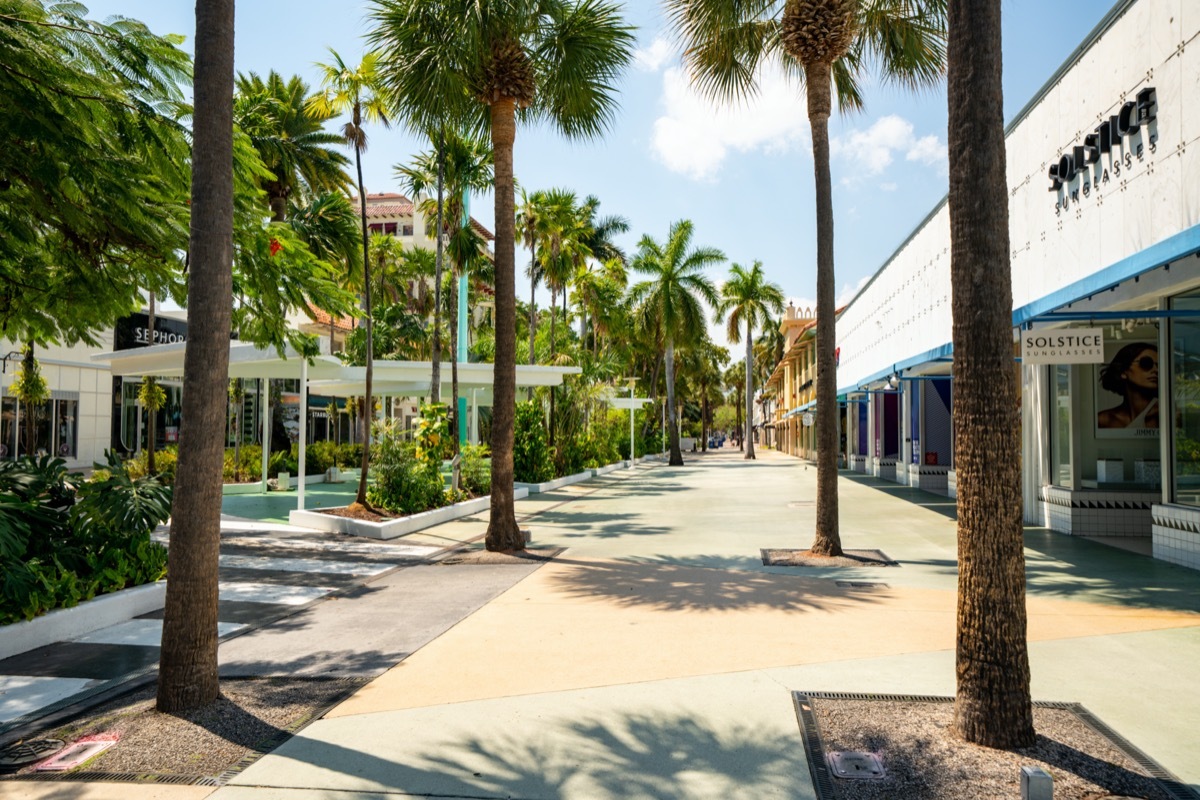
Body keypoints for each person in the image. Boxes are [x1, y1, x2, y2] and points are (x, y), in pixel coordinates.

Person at [1097, 342, 1159, 429]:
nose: (1156, 370)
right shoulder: (1104, 420)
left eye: (1159, 365)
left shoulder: (1165, 416)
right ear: (1123, 371)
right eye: (1146, 363)